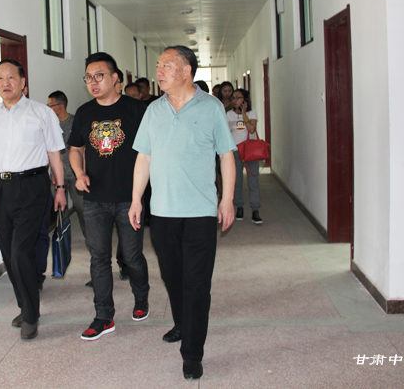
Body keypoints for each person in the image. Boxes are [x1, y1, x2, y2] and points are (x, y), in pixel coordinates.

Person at [129, 45, 236, 381]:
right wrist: (136, 200)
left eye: (167, 65)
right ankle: (182, 323)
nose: (159, 71)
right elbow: (144, 157)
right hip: (162, 213)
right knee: (173, 278)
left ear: (187, 69)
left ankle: (192, 353)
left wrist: (227, 199)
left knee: (197, 284)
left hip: (200, 213)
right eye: (158, 65)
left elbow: (226, 155)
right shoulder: (153, 110)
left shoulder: (211, 107)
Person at [0, 59, 67, 341]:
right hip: (0, 189)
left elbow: (54, 153)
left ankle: (31, 315)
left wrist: (60, 188)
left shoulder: (41, 113)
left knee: (21, 252)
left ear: (23, 82)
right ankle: (25, 305)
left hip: (32, 186)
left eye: (11, 77)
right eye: (0, 78)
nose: (5, 83)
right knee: (9, 255)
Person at [69, 52, 150, 341]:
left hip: (129, 197)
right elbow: (75, 149)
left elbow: (149, 151)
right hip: (94, 198)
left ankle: (141, 297)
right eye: (88, 77)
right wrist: (79, 173)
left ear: (115, 78)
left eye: (99, 75)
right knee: (99, 258)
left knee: (132, 256)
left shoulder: (136, 109)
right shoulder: (84, 112)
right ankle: (104, 316)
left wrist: (141, 195)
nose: (93, 82)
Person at [47, 90, 85, 234]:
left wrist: (83, 171)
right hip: (58, 175)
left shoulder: (76, 122)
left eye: (51, 105)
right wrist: (52, 171)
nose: (49, 108)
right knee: (59, 208)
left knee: (81, 206)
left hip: (75, 174)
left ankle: (87, 233)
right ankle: (62, 236)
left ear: (61, 106)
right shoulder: (50, 124)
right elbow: (49, 149)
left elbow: (83, 149)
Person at [227, 88, 262, 224]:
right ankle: (239, 207)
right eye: (233, 98)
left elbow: (252, 130)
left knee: (253, 182)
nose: (235, 100)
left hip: (250, 150)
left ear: (245, 100)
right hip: (235, 151)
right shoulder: (229, 114)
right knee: (237, 181)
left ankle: (255, 210)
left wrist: (244, 114)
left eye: (238, 97)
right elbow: (226, 133)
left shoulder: (252, 112)